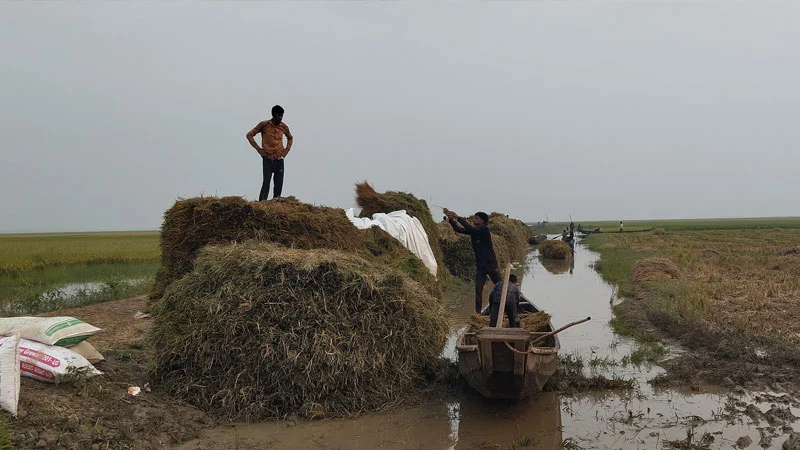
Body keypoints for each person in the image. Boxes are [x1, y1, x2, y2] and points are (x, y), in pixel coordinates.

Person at [443, 208, 500, 313]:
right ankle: (478, 313)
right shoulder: (475, 231)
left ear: (482, 221)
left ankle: (506, 304)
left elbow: (470, 228)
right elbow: (459, 229)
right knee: (478, 290)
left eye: (476, 218)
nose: (473, 220)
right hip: (480, 266)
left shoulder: (484, 229)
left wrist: (457, 217)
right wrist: (450, 219)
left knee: (500, 285)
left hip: (490, 264)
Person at [246, 105, 294, 201]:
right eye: (278, 116)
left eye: (281, 116)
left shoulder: (283, 127)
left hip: (279, 159)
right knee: (266, 182)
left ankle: (276, 203)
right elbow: (249, 135)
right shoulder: (264, 125)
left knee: (279, 183)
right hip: (267, 158)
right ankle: (262, 203)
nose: (280, 118)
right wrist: (259, 150)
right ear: (273, 115)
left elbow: (290, 137)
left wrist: (286, 151)